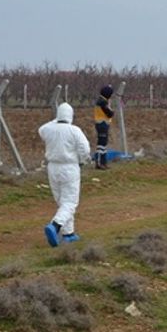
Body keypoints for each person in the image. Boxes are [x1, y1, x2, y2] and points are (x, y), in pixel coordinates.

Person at [39, 102, 90, 247]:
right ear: (71, 115)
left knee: (62, 201)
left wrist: (56, 120)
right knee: (70, 202)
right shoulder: (74, 130)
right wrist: (83, 160)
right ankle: (55, 226)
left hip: (52, 168)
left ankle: (69, 234)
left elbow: (41, 129)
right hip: (69, 167)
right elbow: (85, 149)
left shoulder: (49, 129)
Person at [93, 85, 115, 170]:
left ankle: (103, 162)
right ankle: (99, 162)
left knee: (103, 144)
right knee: (101, 144)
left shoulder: (101, 100)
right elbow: (109, 113)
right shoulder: (103, 102)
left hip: (102, 123)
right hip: (102, 123)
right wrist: (111, 111)